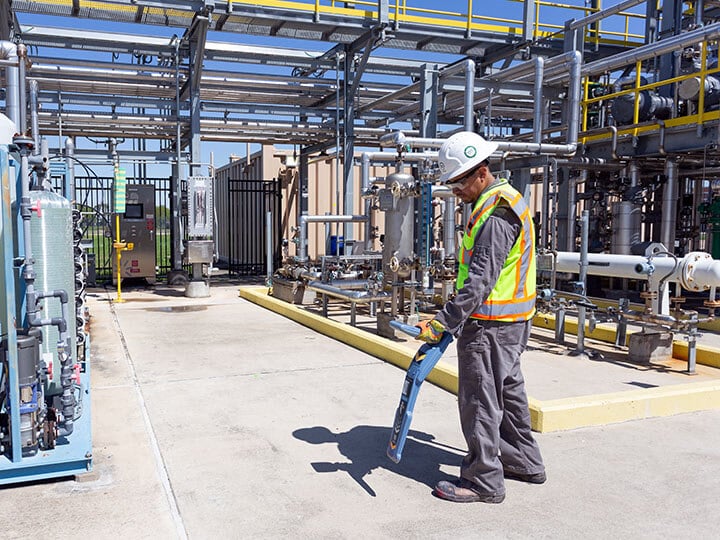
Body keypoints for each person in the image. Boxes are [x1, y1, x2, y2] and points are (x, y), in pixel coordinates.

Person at [415, 131, 545, 504]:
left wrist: (443, 322)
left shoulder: (494, 215)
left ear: (481, 172)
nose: (455, 190)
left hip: (489, 325)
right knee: (509, 395)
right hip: (512, 322)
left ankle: (483, 480)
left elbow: (479, 282)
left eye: (458, 182)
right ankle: (523, 461)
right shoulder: (508, 201)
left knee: (480, 401)